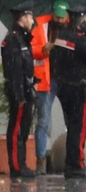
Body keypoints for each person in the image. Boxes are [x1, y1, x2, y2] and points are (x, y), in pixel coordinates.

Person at [49, 4, 86, 180]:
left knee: (72, 127)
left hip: (66, 89)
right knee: (80, 128)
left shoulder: (61, 36)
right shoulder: (81, 40)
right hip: (81, 89)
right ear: (81, 21)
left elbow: (55, 60)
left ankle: (72, 163)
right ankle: (76, 164)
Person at [3, 8, 38, 179]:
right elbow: (14, 69)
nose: (33, 20)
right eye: (30, 16)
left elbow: (26, 67)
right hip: (19, 91)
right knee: (16, 129)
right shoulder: (13, 39)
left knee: (23, 129)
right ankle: (17, 166)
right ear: (23, 18)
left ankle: (21, 163)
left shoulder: (23, 38)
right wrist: (19, 94)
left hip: (25, 89)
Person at [31, 2, 62, 173]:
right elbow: (32, 49)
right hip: (45, 80)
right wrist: (44, 50)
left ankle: (72, 159)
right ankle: (41, 159)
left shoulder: (71, 25)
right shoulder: (40, 25)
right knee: (44, 121)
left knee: (71, 121)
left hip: (66, 80)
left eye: (62, 17)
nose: (60, 19)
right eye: (57, 16)